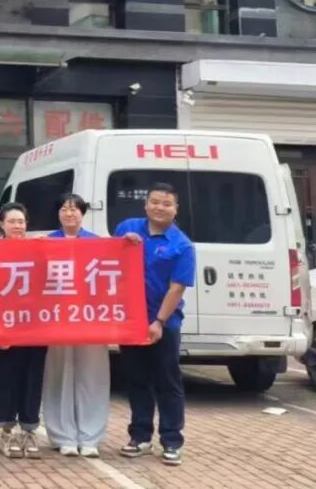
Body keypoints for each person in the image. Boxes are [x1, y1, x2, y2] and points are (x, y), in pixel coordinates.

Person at [114, 182, 195, 467]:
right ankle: (140, 437)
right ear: (146, 204)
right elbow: (106, 258)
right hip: (130, 322)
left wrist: (158, 321)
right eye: (155, 202)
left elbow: (177, 288)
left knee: (167, 382)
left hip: (164, 323)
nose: (160, 207)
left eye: (167, 203)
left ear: (176, 209)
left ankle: (171, 440)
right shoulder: (127, 227)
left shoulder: (182, 245)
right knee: (136, 381)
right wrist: (122, 243)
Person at [42, 193, 109, 459]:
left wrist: (127, 244)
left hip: (91, 319)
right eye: (64, 209)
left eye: (74, 209)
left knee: (92, 377)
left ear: (83, 213)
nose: (69, 214)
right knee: (59, 375)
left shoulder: (97, 243)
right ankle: (62, 435)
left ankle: (90, 437)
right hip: (57, 319)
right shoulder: (47, 242)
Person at [0, 202, 46, 459]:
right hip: (3, 327)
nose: (17, 226)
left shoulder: (38, 248)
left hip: (35, 326)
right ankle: (7, 431)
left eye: (21, 221)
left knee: (32, 379)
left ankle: (29, 430)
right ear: (1, 224)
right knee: (6, 378)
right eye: (11, 221)